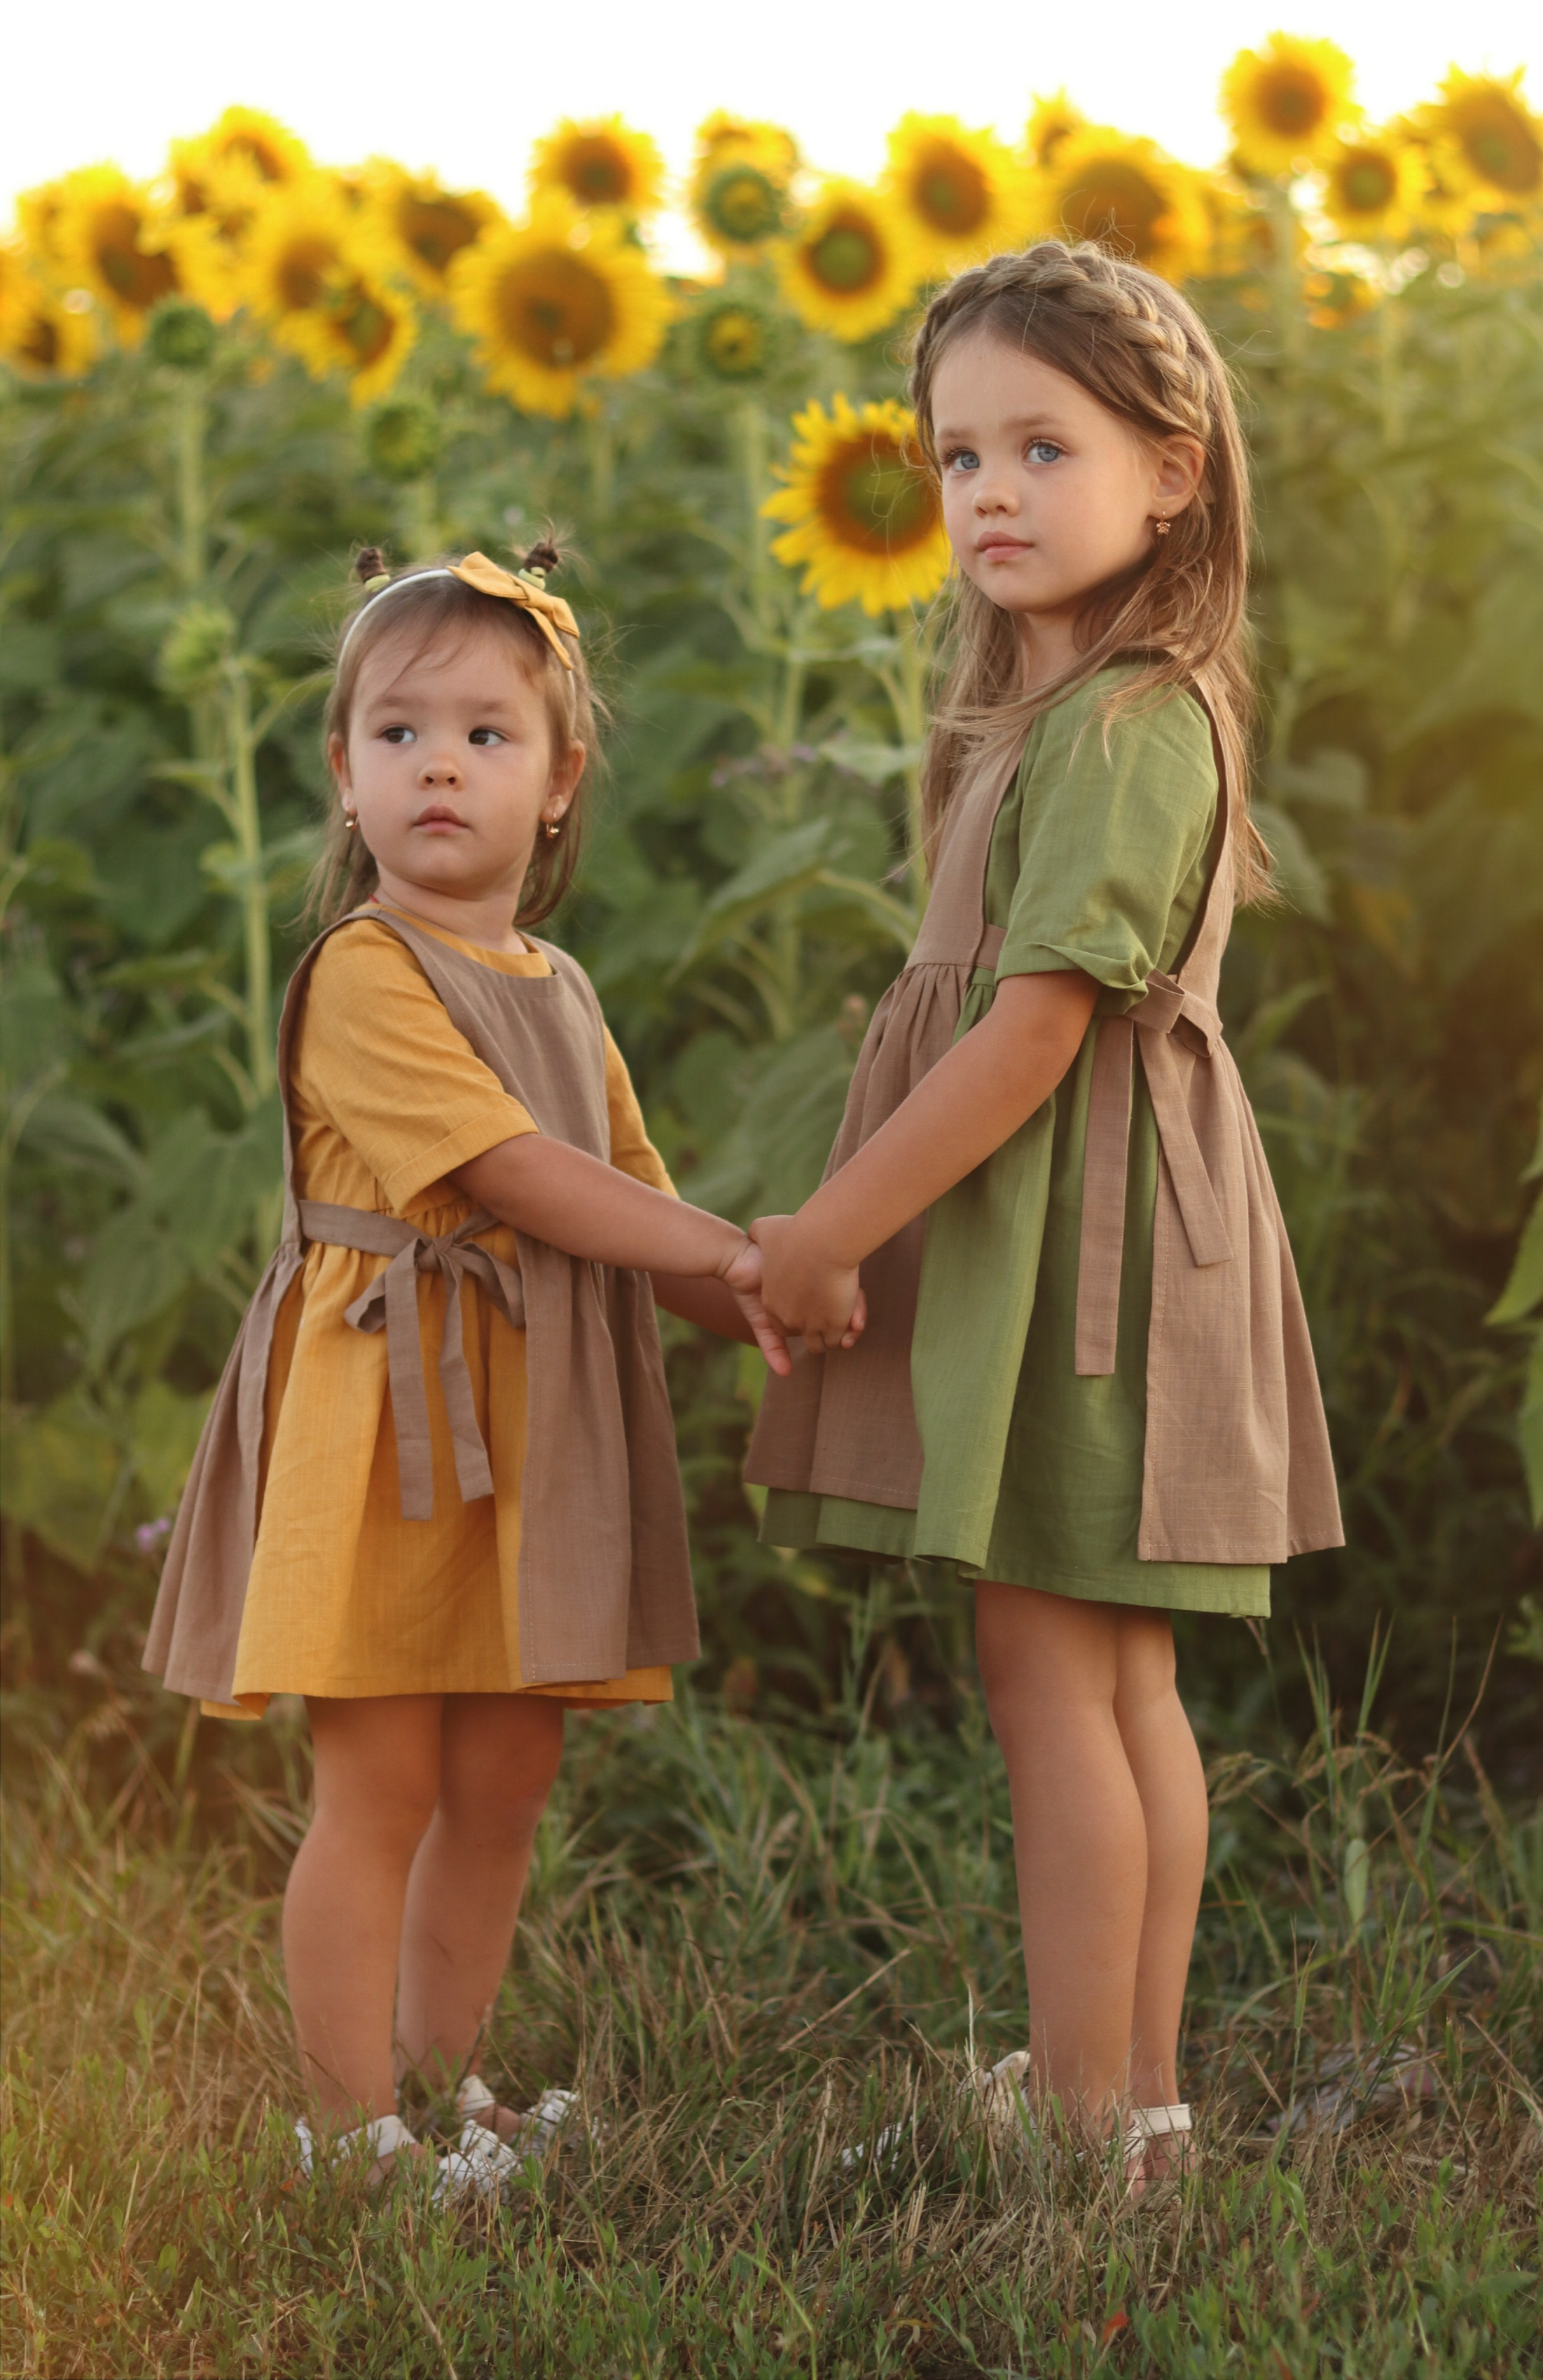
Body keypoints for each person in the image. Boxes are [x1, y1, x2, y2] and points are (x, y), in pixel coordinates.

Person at [746, 244, 1343, 2187]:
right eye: (956, 456)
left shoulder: (1117, 722)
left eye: (1041, 447)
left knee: (1056, 1681)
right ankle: (1135, 2101)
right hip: (1104, 1236)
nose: (986, 492)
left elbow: (1031, 1035)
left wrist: (830, 1228)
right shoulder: (1075, 707)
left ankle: (1092, 2117)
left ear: (1172, 473)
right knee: (1110, 1674)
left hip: (1082, 1258)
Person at [146, 539, 802, 2198]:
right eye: (399, 732)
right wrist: (738, 1252)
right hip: (387, 1421)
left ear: (560, 780)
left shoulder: (560, 988)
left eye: (487, 734)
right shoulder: (362, 971)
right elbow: (513, 1175)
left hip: (535, 1433)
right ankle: (345, 2123)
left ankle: (447, 2084)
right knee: (378, 1780)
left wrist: (775, 1296)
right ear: (343, 773)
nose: (439, 763)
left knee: (506, 1777)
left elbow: (634, 1198)